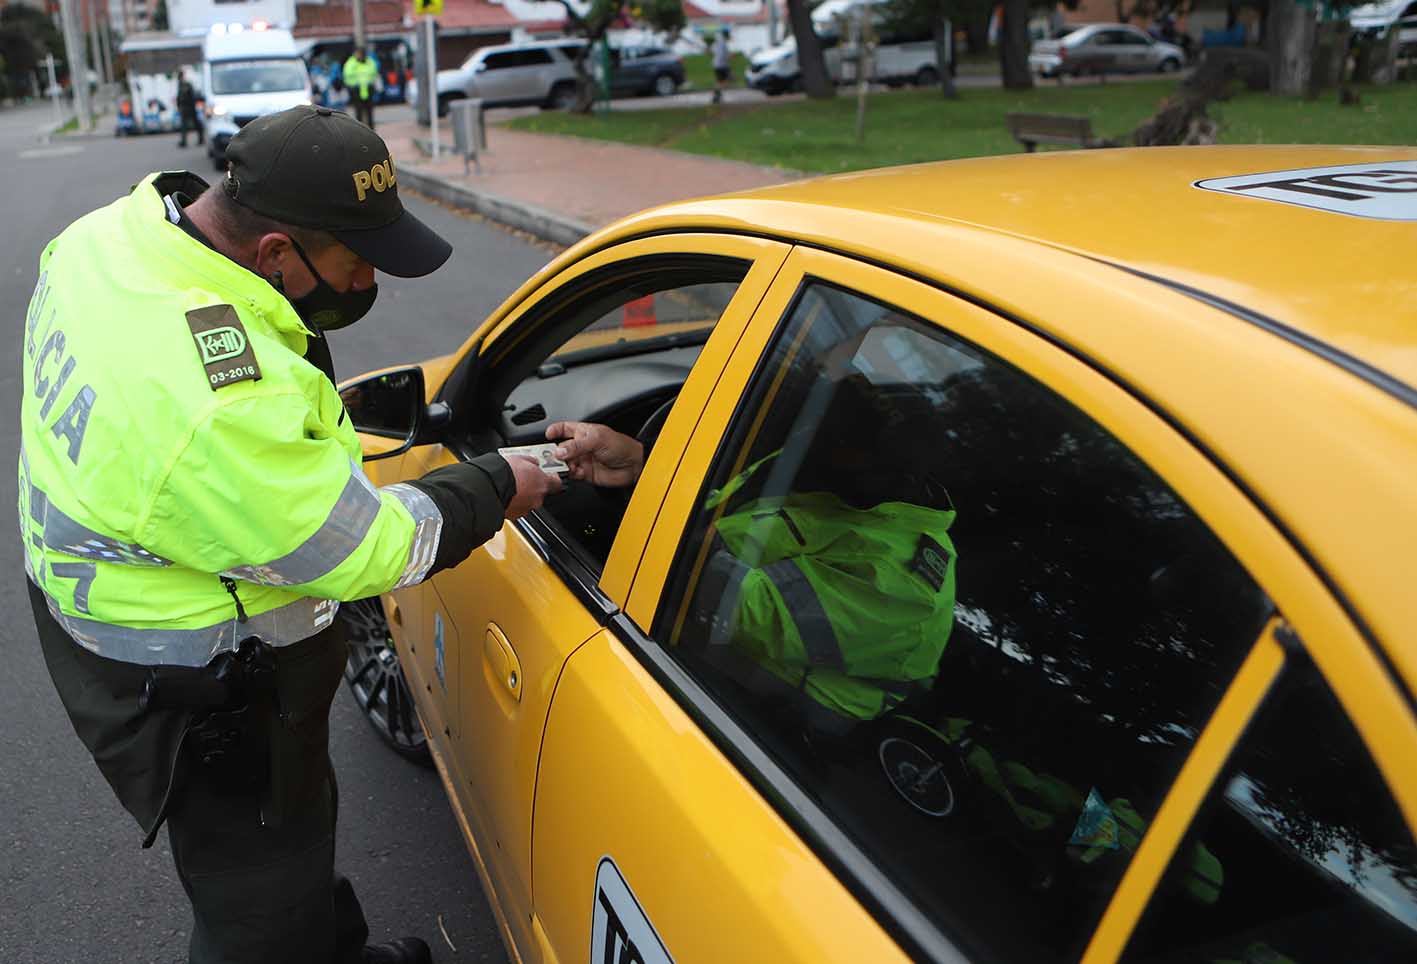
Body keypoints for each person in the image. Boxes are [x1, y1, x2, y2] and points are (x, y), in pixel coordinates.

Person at [20, 105, 560, 964]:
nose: (366, 283)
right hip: (203, 686)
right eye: (358, 263)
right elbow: (371, 551)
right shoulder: (222, 410)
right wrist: (505, 479)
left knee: (289, 845)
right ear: (275, 254)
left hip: (113, 608)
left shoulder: (109, 237)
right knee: (257, 905)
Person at [343, 46, 380, 129]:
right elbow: (347, 75)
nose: (359, 55)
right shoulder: (351, 63)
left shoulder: (370, 62)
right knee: (358, 111)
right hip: (356, 90)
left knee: (369, 112)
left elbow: (374, 72)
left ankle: (371, 129)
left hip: (368, 89)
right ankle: (360, 129)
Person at [176, 75, 203, 148]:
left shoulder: (187, 85)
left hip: (190, 107)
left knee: (195, 123)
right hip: (185, 107)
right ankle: (184, 141)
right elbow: (179, 97)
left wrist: (192, 105)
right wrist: (179, 106)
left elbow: (191, 96)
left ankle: (201, 139)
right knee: (184, 125)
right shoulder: (181, 85)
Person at [711, 28, 732, 105]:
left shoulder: (718, 42)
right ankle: (717, 95)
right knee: (723, 81)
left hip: (717, 64)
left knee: (720, 81)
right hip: (722, 65)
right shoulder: (722, 43)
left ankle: (717, 95)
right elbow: (723, 55)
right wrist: (729, 56)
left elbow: (713, 51)